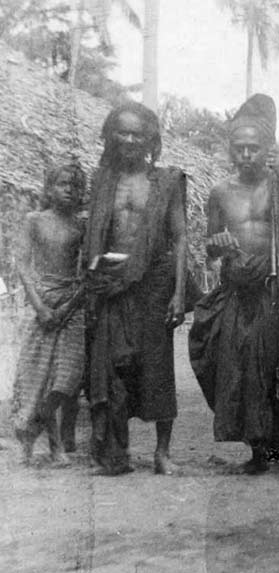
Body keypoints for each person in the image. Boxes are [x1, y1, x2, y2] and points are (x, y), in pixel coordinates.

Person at [188, 94, 279, 478]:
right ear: (230, 151)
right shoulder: (219, 193)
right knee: (242, 374)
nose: (247, 155)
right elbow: (210, 249)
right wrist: (219, 248)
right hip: (241, 294)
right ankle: (260, 453)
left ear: (268, 149)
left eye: (254, 148)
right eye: (240, 149)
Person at [84, 102, 187, 476]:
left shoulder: (167, 182)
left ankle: (162, 453)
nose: (129, 139)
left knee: (157, 367)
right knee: (110, 370)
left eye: (137, 133)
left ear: (150, 139)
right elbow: (93, 233)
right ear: (110, 135)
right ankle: (117, 455)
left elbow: (180, 237)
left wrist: (178, 293)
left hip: (153, 283)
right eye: (122, 132)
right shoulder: (102, 181)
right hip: (109, 283)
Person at [11, 163, 87, 464]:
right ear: (49, 187)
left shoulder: (82, 225)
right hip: (43, 301)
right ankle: (52, 446)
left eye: (75, 185)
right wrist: (40, 307)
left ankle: (31, 431)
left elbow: (89, 270)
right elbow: (23, 265)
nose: (69, 189)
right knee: (40, 377)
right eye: (62, 183)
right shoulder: (34, 220)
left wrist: (71, 304)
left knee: (66, 380)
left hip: (72, 303)